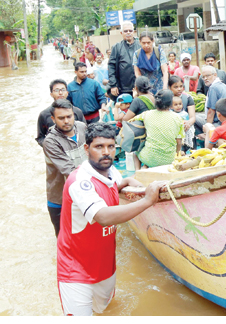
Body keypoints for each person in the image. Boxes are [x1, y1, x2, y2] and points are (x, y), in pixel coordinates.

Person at [56, 122, 167, 315]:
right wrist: (148, 200)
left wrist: (130, 182)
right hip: (75, 270)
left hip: (106, 267)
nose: (106, 152)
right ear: (86, 148)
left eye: (110, 146)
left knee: (107, 312)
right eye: (99, 147)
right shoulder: (79, 182)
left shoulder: (110, 172)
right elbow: (103, 217)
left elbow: (114, 185)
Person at [42, 100, 88, 237]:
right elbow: (71, 171)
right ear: (53, 119)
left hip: (84, 193)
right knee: (64, 239)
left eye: (69, 116)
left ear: (74, 114)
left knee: (86, 236)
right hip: (61, 199)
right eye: (61, 118)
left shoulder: (82, 127)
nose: (66, 121)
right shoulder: (50, 142)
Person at [131, 90, 185, 169]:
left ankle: (138, 172)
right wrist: (177, 154)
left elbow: (132, 121)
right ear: (170, 104)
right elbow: (179, 141)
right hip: (169, 159)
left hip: (149, 157)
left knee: (135, 153)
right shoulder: (178, 118)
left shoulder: (147, 114)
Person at [36, 79, 86, 147]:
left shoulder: (77, 111)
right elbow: (40, 137)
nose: (60, 93)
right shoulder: (44, 115)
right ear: (51, 94)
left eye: (63, 90)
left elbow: (85, 131)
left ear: (67, 93)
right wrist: (50, 147)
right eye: (56, 90)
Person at [108, 22, 141, 102]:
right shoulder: (117, 47)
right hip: (123, 87)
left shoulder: (140, 45)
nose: (128, 33)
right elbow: (111, 66)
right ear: (121, 33)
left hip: (140, 86)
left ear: (134, 32)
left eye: (130, 30)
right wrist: (113, 85)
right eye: (126, 31)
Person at [169, 75, 197, 148]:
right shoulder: (166, 99)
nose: (179, 89)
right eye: (176, 87)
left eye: (181, 86)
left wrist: (188, 123)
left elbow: (192, 117)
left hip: (186, 127)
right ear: (169, 88)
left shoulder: (187, 98)